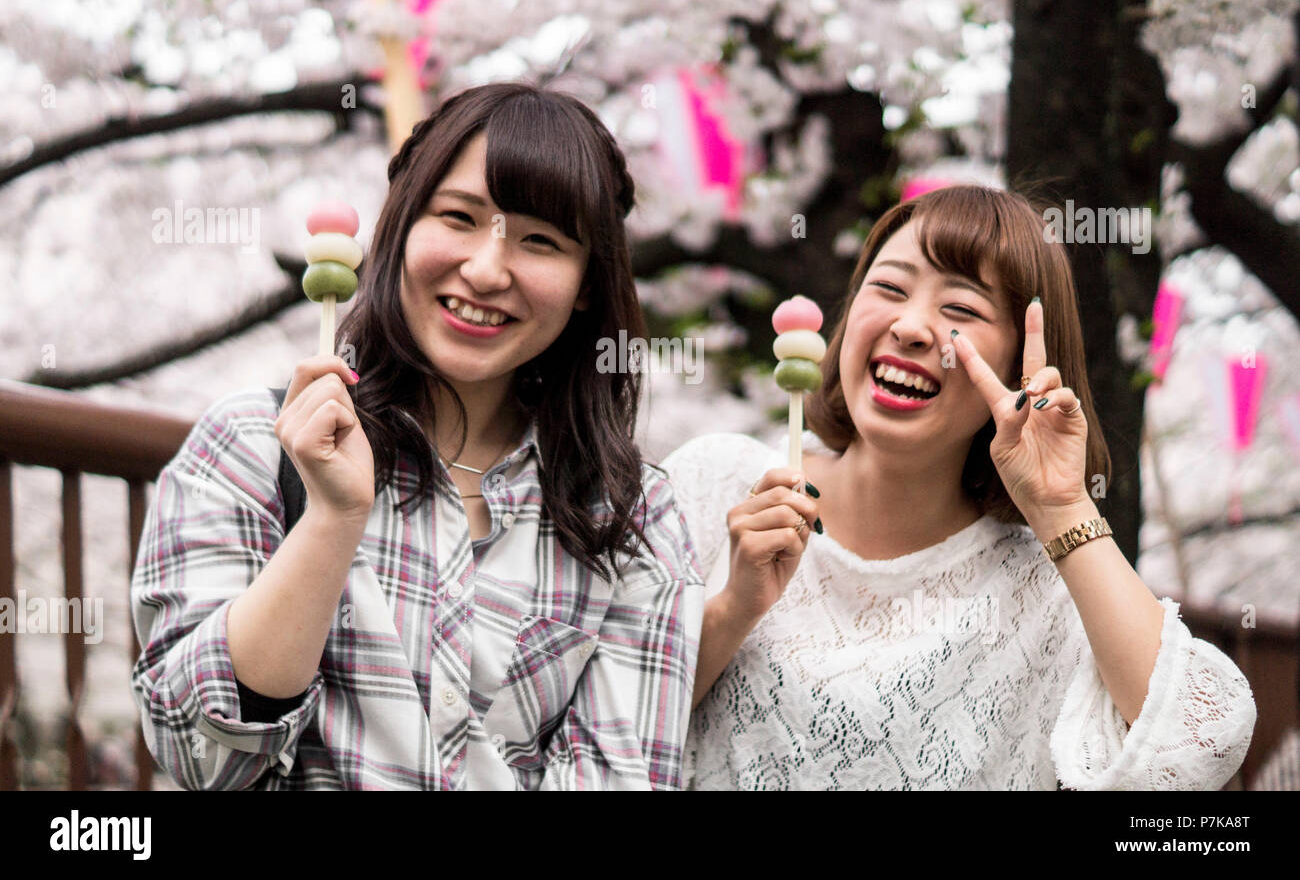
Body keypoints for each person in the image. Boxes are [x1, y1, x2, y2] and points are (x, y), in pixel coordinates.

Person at [131, 83, 703, 790]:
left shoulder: (631, 517)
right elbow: (197, 752)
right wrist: (331, 521)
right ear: (400, 224)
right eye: (458, 217)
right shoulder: (250, 444)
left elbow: (625, 779)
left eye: (541, 241)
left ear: (587, 283)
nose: (488, 270)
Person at [664, 185, 1256, 790]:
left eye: (962, 311)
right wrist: (735, 608)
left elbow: (1199, 751)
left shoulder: (1044, 592)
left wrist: (1063, 507)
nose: (913, 326)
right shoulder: (718, 483)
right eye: (890, 288)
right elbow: (593, 728)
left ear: (1018, 370)